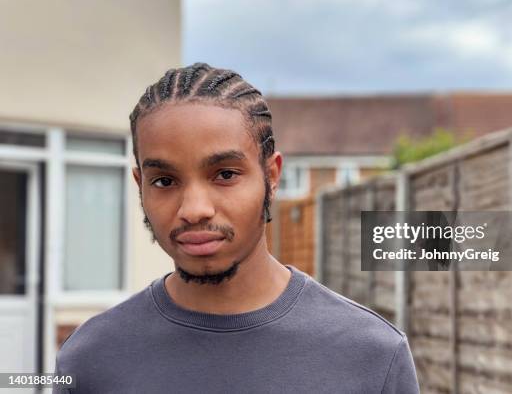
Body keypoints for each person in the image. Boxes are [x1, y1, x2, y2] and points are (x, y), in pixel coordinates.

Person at [53, 63, 420, 393]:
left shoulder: (372, 356)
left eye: (225, 175)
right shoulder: (90, 361)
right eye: (165, 180)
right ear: (140, 186)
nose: (194, 209)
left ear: (271, 177)